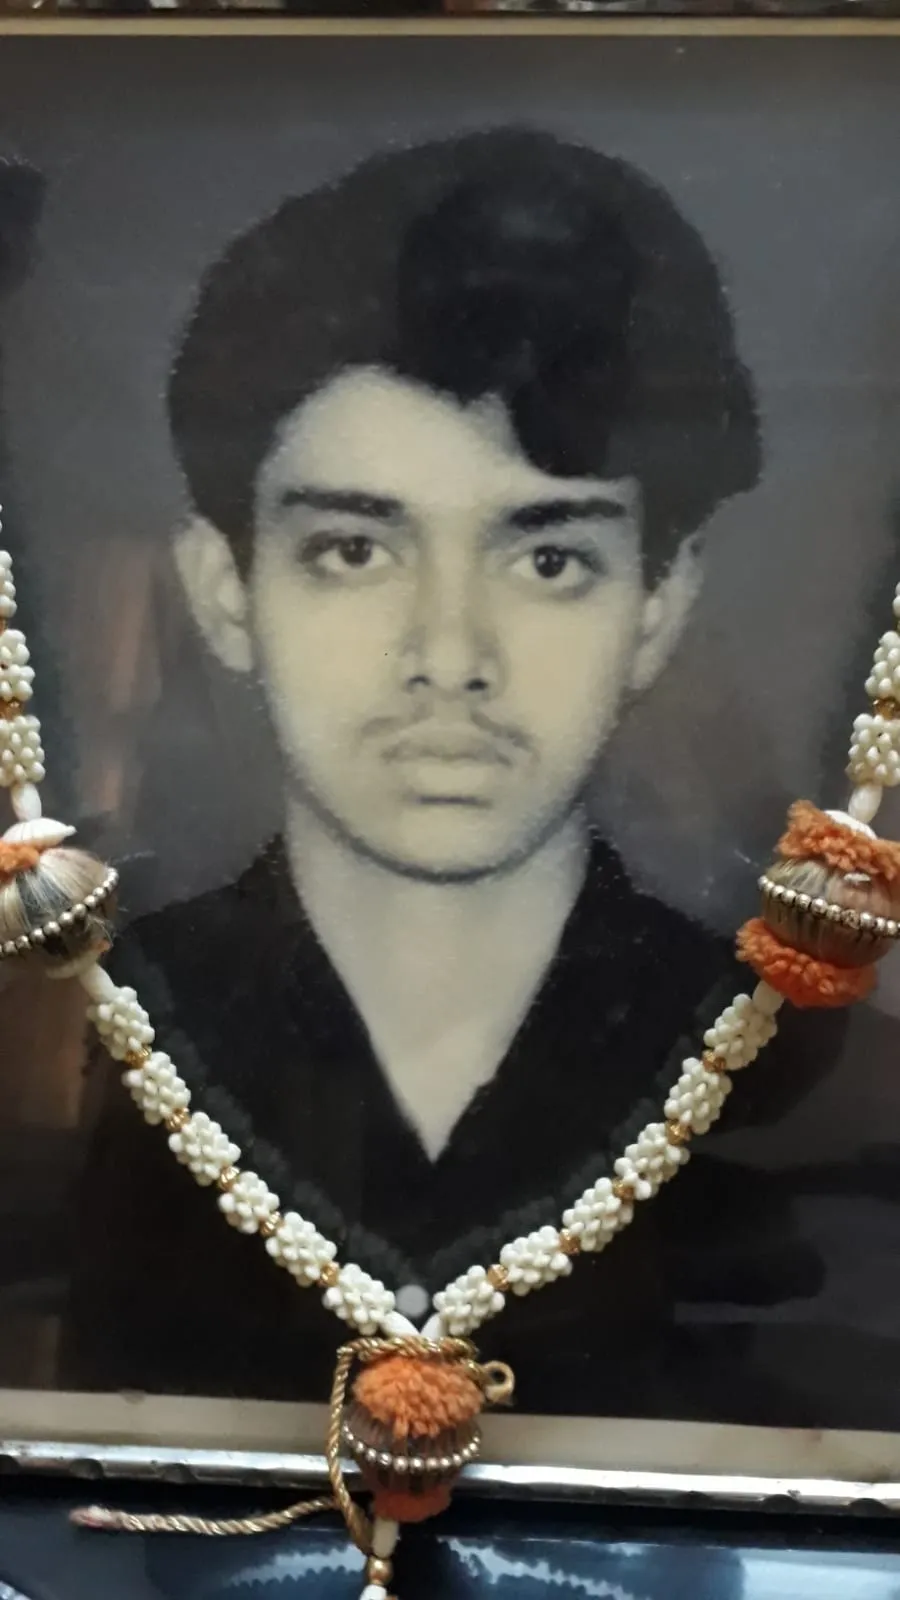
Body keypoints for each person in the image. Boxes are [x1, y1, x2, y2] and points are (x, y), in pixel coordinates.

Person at [62, 128, 845, 1423]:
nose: (449, 657)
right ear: (223, 589)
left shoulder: (769, 1047)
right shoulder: (128, 1016)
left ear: (659, 604)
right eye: (355, 552)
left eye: (547, 561)